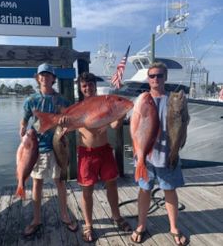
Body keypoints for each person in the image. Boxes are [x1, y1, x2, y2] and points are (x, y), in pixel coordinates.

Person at [130, 62, 189, 245]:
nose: (156, 79)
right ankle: (141, 224)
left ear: (166, 77)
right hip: (145, 157)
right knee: (144, 190)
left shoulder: (173, 99)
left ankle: (173, 226)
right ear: (148, 78)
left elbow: (184, 124)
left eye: (159, 75)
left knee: (169, 190)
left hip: (168, 155)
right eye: (152, 75)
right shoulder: (141, 99)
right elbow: (129, 123)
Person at [19, 62, 78, 237]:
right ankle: (36, 219)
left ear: (53, 79)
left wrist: (66, 122)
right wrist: (22, 127)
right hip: (36, 148)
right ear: (38, 78)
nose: (45, 78)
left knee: (60, 181)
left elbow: (70, 122)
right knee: (37, 182)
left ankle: (65, 216)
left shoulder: (62, 100)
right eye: (41, 75)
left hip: (57, 147)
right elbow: (24, 120)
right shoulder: (31, 100)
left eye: (48, 75)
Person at [76, 72, 132, 242]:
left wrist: (121, 114)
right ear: (80, 87)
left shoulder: (103, 104)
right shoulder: (77, 107)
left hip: (105, 150)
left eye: (90, 84)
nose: (88, 88)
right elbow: (69, 125)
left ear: (95, 85)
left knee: (112, 185)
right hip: (86, 153)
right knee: (87, 190)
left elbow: (115, 125)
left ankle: (116, 217)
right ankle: (88, 224)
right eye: (84, 85)